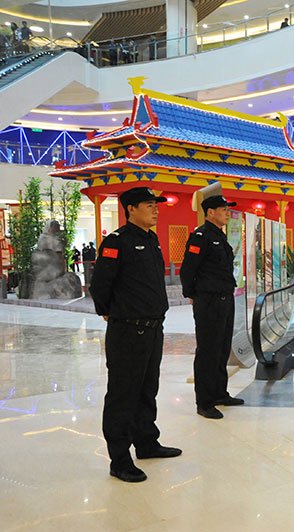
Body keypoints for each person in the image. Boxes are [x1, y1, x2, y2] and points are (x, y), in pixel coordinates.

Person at [89, 187, 181, 483]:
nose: (155, 209)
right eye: (149, 204)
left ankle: (146, 442)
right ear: (130, 209)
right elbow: (100, 284)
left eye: (156, 204)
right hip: (128, 330)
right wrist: (108, 311)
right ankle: (119, 459)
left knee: (147, 389)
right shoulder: (117, 241)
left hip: (153, 328)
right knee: (123, 394)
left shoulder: (151, 239)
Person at [180, 195, 245, 420]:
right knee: (208, 350)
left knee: (222, 348)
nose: (227, 213)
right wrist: (192, 295)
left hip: (225, 297)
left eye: (228, 209)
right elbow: (188, 269)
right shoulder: (201, 236)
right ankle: (204, 401)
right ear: (210, 212)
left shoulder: (219, 235)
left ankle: (219, 393)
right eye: (223, 209)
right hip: (208, 300)